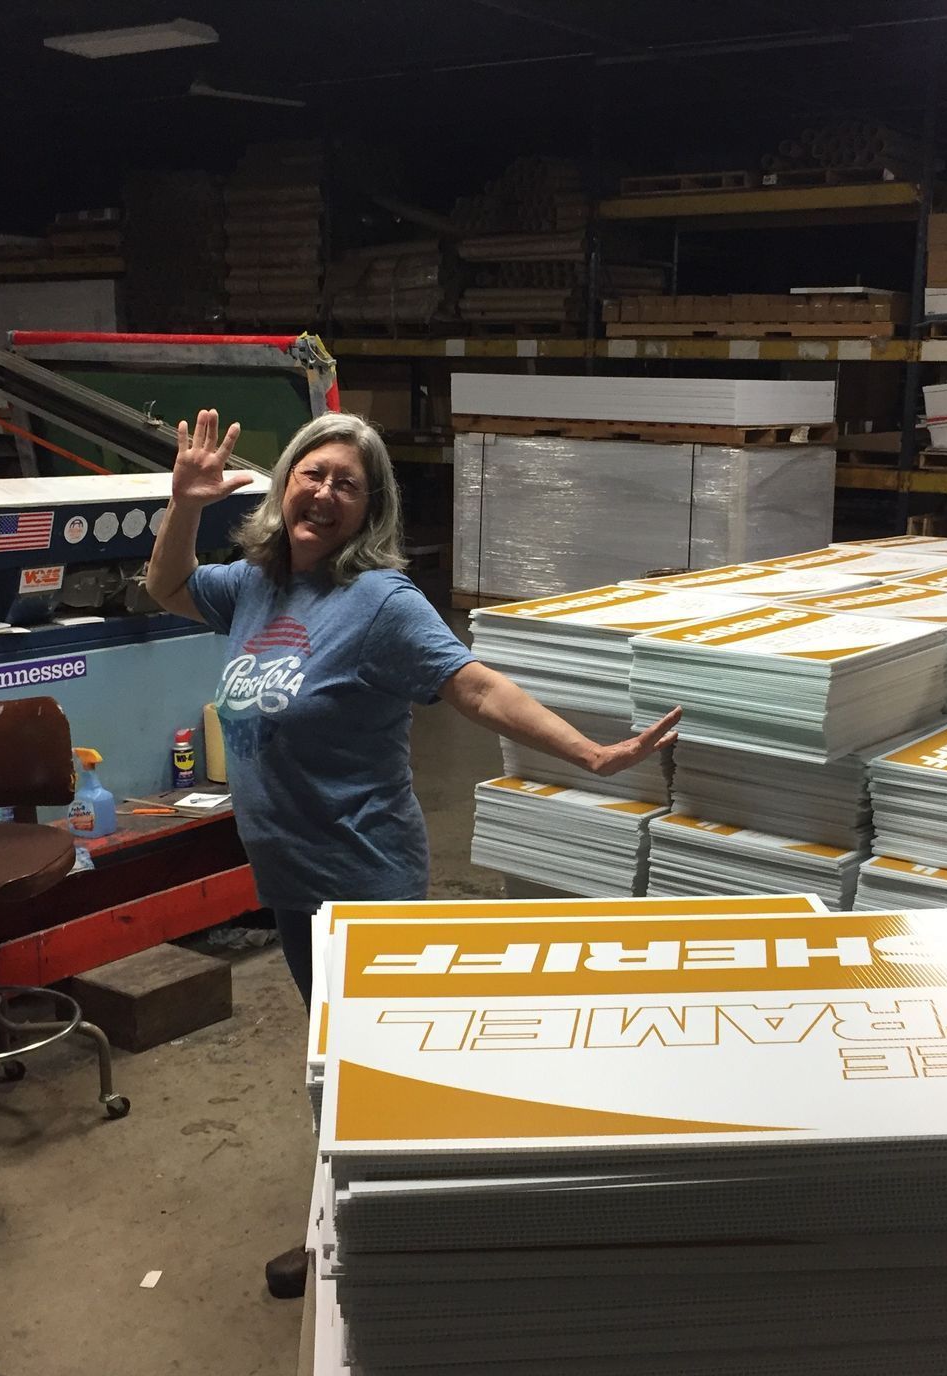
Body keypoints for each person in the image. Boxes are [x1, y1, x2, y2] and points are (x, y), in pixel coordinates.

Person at [144, 409, 679, 1294]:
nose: (324, 492)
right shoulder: (252, 583)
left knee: (363, 1075)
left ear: (370, 510)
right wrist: (181, 504)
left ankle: (373, 1238)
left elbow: (473, 685)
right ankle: (368, 1223)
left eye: (347, 485)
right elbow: (166, 588)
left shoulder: (380, 605)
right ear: (285, 483)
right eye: (312, 473)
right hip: (288, 879)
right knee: (338, 1066)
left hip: (362, 885)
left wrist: (591, 753)